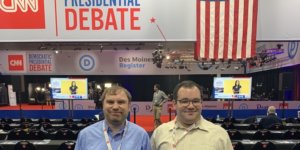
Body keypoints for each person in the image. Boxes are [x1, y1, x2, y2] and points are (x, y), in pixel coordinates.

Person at [151, 80, 233, 150]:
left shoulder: (220, 135)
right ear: (174, 104)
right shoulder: (160, 133)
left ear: (201, 103)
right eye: (185, 101)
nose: (190, 106)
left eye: (196, 101)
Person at [75, 85, 151, 150]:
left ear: (129, 106)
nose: (115, 107)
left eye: (121, 102)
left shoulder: (141, 135)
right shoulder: (85, 135)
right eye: (110, 102)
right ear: (102, 106)